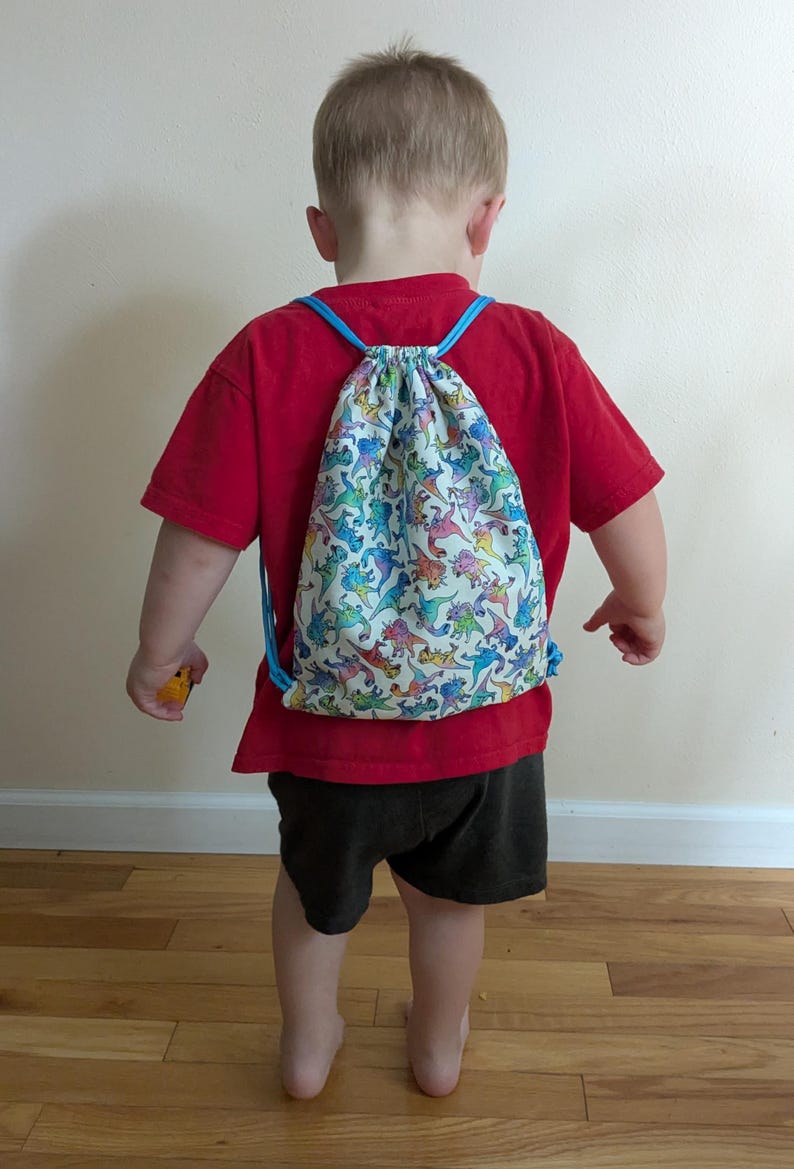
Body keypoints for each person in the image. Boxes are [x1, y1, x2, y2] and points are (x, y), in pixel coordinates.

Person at [126, 42, 666, 1101]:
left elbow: (196, 538)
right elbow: (625, 499)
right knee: (447, 905)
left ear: (322, 229)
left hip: (324, 727)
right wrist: (641, 601)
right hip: (488, 726)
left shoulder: (265, 353)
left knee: (314, 896)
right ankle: (435, 1045)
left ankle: (308, 1043)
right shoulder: (531, 348)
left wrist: (161, 651)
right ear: (484, 219)